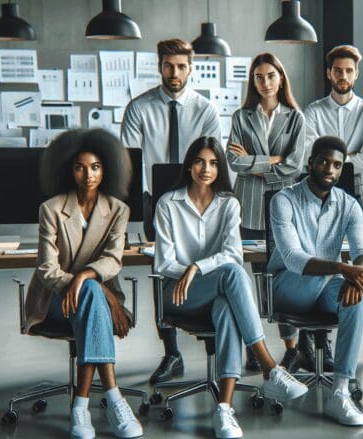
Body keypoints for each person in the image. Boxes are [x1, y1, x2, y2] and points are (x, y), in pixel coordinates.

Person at [154, 136, 308, 439]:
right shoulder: (167, 204)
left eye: (213, 163)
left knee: (226, 304)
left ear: (220, 167)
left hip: (214, 289)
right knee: (233, 275)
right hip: (177, 293)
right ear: (189, 166)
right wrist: (191, 272)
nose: (206, 169)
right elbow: (163, 263)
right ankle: (269, 367)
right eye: (199, 161)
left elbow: (232, 253)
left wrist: (198, 266)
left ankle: (224, 409)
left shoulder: (229, 203)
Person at [25, 129, 143, 439]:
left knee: (90, 292)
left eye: (95, 167)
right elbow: (47, 268)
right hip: (55, 301)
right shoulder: (51, 209)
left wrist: (83, 277)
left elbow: (113, 260)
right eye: (79, 167)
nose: (88, 174)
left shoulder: (119, 210)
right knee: (91, 292)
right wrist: (81, 283)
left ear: (107, 170)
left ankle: (81, 406)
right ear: (68, 169)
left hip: (92, 296)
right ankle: (114, 397)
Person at [121, 38, 220, 384]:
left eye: (180, 66)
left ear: (190, 68)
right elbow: (129, 165)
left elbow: (212, 159)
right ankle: (171, 352)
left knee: (208, 261)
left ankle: (220, 337)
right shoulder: (139, 108)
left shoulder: (205, 109)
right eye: (168, 65)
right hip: (153, 200)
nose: (174, 73)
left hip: (198, 197)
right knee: (162, 269)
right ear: (160, 66)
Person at [268, 136, 363, 426]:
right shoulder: (284, 200)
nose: (330, 169)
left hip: (326, 286)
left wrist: (355, 277)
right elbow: (292, 258)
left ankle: (339, 391)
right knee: (340, 277)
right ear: (311, 163)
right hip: (288, 287)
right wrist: (344, 268)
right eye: (324, 161)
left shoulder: (349, 205)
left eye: (337, 165)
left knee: (354, 297)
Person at [226, 52, 306, 372]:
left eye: (271, 76)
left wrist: (257, 162)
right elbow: (234, 161)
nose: (265, 82)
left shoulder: (295, 118)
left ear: (281, 78)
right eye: (259, 77)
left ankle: (292, 348)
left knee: (282, 277)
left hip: (284, 208)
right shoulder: (241, 117)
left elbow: (294, 167)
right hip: (248, 208)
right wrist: (272, 160)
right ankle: (253, 347)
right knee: (249, 281)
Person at [304, 44, 363, 227]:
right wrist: (352, 156)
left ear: (356, 74)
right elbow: (307, 155)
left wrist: (325, 160)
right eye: (338, 71)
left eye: (349, 71)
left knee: (361, 252)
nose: (343, 76)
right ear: (329, 73)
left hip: (358, 196)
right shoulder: (313, 111)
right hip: (317, 198)